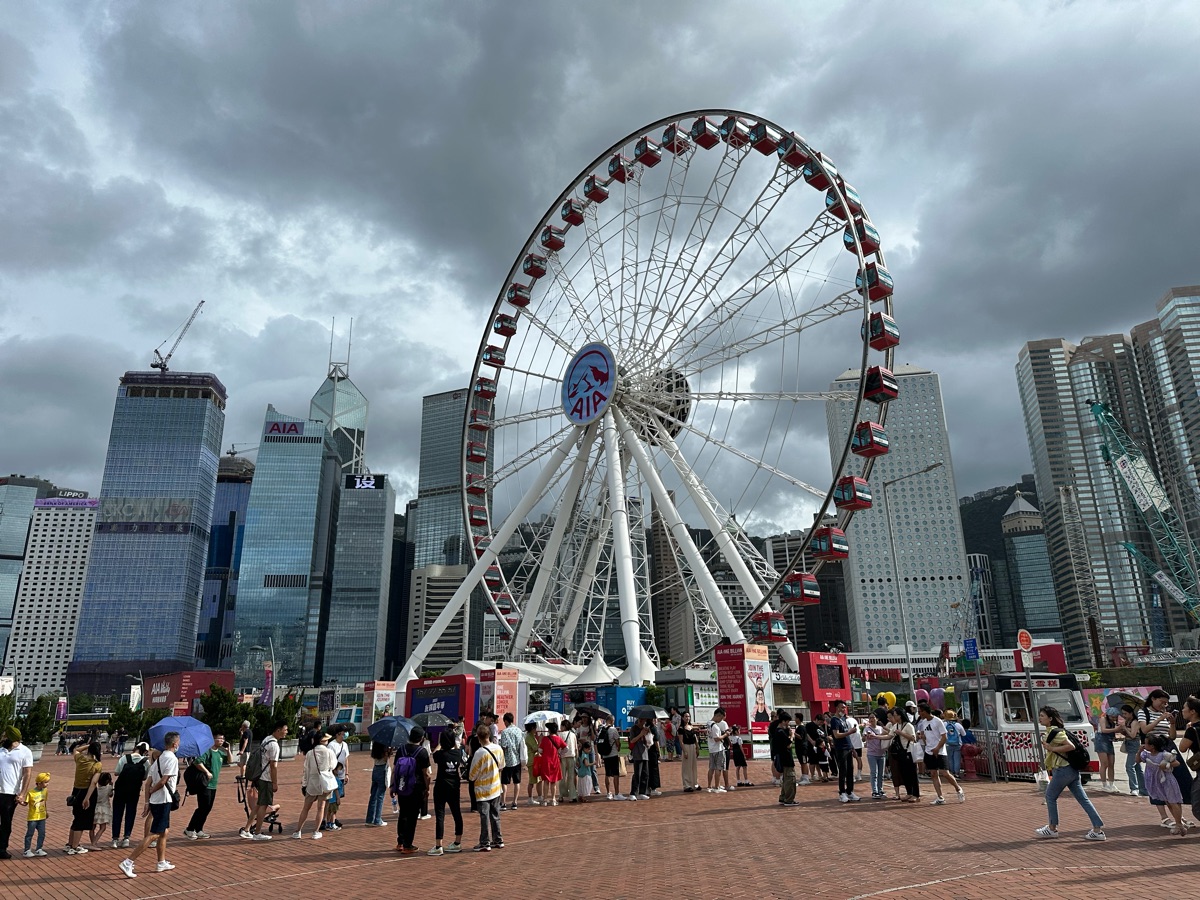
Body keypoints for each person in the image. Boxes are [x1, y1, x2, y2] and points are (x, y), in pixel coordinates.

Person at [1035, 706, 1105, 841]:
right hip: (1071, 770)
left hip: (1063, 770)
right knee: (1083, 799)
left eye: (1042, 716)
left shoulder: (1056, 732)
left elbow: (1070, 746)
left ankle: (1052, 828)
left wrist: (1051, 748)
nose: (1040, 718)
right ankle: (1097, 829)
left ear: (1050, 719)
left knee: (1050, 796)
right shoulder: (1055, 731)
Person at [119, 730, 181, 878]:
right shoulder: (172, 759)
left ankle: (161, 862)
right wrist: (154, 791)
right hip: (163, 799)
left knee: (164, 831)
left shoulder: (158, 759)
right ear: (175, 744)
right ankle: (128, 862)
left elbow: (147, 783)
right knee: (155, 834)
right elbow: (164, 780)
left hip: (156, 800)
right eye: (179, 742)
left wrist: (147, 800)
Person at [392, 725, 431, 854]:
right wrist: (427, 788)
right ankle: (408, 845)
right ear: (421, 738)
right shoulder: (422, 752)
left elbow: (395, 769)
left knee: (403, 813)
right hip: (416, 788)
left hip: (402, 786)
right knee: (412, 816)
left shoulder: (401, 750)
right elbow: (426, 774)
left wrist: (393, 785)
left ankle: (400, 842)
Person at [183, 732, 229, 840]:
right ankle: (189, 829)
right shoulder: (207, 751)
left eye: (223, 739)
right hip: (205, 784)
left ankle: (199, 829)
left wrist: (228, 750)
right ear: (213, 739)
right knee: (203, 807)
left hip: (214, 785)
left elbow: (230, 760)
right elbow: (197, 762)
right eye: (219, 738)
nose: (221, 741)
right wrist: (207, 772)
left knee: (207, 808)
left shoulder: (220, 753)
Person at [916, 702, 964, 805]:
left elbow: (944, 736)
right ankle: (940, 797)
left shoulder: (937, 721)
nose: (919, 714)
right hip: (929, 751)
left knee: (945, 773)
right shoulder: (923, 722)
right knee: (933, 773)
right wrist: (923, 739)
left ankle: (958, 788)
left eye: (921, 711)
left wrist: (937, 748)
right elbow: (924, 735)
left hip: (940, 751)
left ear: (925, 711)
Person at [247, 720, 287, 841]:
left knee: (259, 804)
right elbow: (273, 766)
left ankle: (246, 829)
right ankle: (257, 832)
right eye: (285, 730)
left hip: (259, 776)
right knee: (263, 806)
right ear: (278, 730)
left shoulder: (266, 739)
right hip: (266, 778)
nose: (287, 732)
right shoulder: (274, 745)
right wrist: (274, 782)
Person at [467, 723, 504, 852]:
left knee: (484, 816)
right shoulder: (498, 749)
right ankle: (498, 839)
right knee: (495, 815)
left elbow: (472, 775)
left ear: (478, 737)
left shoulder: (479, 753)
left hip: (482, 790)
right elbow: (501, 766)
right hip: (495, 786)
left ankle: (484, 842)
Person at [293, 729, 336, 839]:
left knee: (306, 808)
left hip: (312, 782)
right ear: (323, 740)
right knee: (321, 808)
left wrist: (304, 784)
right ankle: (316, 832)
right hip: (325, 782)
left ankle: (298, 831)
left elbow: (306, 770)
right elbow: (333, 766)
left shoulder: (310, 753)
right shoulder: (329, 752)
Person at [0, 725, 35, 860]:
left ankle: (2, 848)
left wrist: (23, 793)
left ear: (11, 737)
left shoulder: (25, 751)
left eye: (5, 735)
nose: (3, 737)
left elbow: (27, 773)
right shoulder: (1, 750)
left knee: (6, 822)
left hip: (11, 793)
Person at [428, 730, 465, 856]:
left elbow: (434, 754)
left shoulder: (440, 755)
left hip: (441, 786)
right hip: (454, 786)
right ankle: (457, 842)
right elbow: (456, 748)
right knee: (456, 813)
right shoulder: (457, 753)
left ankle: (439, 845)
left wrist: (439, 744)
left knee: (440, 815)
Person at [1141, 734, 1186, 834]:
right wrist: (1139, 751)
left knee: (1174, 801)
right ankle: (1179, 825)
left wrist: (1167, 764)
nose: (1144, 745)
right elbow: (1138, 759)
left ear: (1152, 746)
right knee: (1168, 802)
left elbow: (1177, 763)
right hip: (1159, 782)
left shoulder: (1164, 754)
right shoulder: (1147, 754)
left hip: (1168, 781)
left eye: (1146, 743)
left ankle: (1179, 824)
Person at [111, 742, 150, 848]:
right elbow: (145, 777)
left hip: (120, 790)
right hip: (134, 791)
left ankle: (115, 839)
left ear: (135, 748)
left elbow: (116, 772)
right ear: (145, 751)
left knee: (117, 813)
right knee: (130, 813)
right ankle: (126, 838)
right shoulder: (146, 762)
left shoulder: (124, 758)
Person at [66, 740, 103, 853]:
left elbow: (76, 750)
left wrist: (89, 745)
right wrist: (87, 798)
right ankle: (75, 847)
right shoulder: (97, 765)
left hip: (76, 790)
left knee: (76, 817)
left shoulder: (80, 759)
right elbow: (93, 783)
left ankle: (70, 844)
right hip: (87, 792)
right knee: (81, 821)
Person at [828, 701, 860, 803]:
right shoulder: (834, 720)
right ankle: (842, 793)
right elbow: (836, 735)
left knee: (850, 769)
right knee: (843, 770)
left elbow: (848, 737)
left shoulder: (843, 719)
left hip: (848, 748)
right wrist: (850, 731)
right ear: (837, 708)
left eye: (845, 707)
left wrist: (853, 749)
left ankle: (849, 791)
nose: (843, 709)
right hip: (840, 749)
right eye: (842, 707)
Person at [1177, 696, 1200, 825]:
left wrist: (1187, 730)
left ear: (1193, 711)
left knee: (1196, 804)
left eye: (1184, 707)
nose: (1182, 710)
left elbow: (1182, 748)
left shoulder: (1192, 730)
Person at [887, 708, 919, 802]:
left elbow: (913, 738)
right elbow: (889, 736)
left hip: (908, 751)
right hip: (900, 753)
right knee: (904, 773)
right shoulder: (896, 725)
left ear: (900, 716)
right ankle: (909, 793)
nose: (894, 717)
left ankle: (916, 794)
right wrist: (875, 737)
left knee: (912, 774)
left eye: (895, 715)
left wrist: (901, 733)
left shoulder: (908, 725)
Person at [498, 712, 524, 810]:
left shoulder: (505, 732)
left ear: (506, 721)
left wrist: (501, 759)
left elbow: (504, 747)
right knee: (517, 782)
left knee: (504, 782)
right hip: (517, 760)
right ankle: (515, 802)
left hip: (507, 760)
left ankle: (503, 803)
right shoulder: (519, 731)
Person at [326, 725, 350, 830]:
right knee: (332, 799)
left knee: (337, 798)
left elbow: (346, 760)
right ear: (337, 734)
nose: (344, 734)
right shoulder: (331, 745)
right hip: (333, 775)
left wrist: (347, 774)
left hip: (341, 774)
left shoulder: (345, 745)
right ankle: (329, 820)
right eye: (343, 733)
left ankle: (333, 819)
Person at [771, 711, 797, 806]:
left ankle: (783, 797)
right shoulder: (780, 732)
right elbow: (789, 744)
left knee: (786, 778)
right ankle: (789, 799)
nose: (788, 724)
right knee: (790, 779)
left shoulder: (777, 731)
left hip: (782, 758)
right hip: (786, 758)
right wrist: (792, 735)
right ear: (783, 721)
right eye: (787, 721)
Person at [537, 721, 566, 805]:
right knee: (554, 782)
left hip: (546, 762)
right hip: (555, 761)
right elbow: (566, 748)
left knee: (546, 781)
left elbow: (540, 750)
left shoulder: (545, 739)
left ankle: (545, 800)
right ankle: (553, 799)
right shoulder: (559, 739)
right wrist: (560, 753)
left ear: (549, 730)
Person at [22, 772, 50, 857]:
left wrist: (46, 811)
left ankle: (39, 849)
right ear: (39, 783)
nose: (47, 784)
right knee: (30, 833)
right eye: (45, 782)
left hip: (42, 816)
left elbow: (44, 802)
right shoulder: (31, 793)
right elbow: (25, 803)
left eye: (48, 782)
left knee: (42, 833)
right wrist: (20, 801)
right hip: (33, 817)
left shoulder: (45, 791)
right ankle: (27, 850)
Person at [1119, 704, 1144, 796]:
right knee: (1137, 767)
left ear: (1131, 713)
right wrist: (1123, 731)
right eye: (1122, 713)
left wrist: (1125, 728)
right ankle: (1143, 789)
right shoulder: (1128, 721)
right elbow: (1128, 735)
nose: (1124, 715)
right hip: (1129, 744)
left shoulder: (1134, 722)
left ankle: (1134, 788)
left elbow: (1133, 735)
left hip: (1134, 744)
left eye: (1125, 713)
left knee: (1129, 766)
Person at [1094, 707, 1121, 792]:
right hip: (1101, 741)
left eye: (1115, 717)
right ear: (1108, 715)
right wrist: (1116, 729)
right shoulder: (1103, 719)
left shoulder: (1113, 723)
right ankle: (1104, 784)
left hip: (1108, 742)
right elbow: (1103, 730)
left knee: (1111, 763)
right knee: (1104, 763)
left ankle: (1112, 784)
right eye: (1112, 717)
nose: (1114, 718)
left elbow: (1111, 733)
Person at [365, 740, 391, 827]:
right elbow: (385, 759)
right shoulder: (384, 748)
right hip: (382, 769)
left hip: (375, 769)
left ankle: (369, 819)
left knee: (373, 795)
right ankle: (377, 819)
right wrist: (389, 752)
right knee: (380, 796)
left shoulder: (375, 746)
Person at [862, 712, 888, 800]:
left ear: (877, 719)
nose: (871, 719)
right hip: (872, 753)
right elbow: (863, 738)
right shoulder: (867, 729)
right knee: (874, 773)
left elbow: (888, 733)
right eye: (870, 718)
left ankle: (880, 790)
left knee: (881, 773)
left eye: (873, 717)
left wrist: (878, 734)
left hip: (881, 753)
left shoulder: (880, 728)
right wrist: (866, 736)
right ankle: (874, 791)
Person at [706, 708, 731, 793]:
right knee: (718, 768)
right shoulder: (715, 727)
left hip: (711, 749)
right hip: (718, 749)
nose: (721, 720)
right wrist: (725, 735)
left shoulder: (709, 723)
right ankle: (717, 787)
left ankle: (709, 786)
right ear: (718, 715)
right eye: (721, 718)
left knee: (711, 768)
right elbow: (717, 739)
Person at [600, 714, 625, 800]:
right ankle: (617, 793)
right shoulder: (613, 730)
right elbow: (618, 743)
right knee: (615, 774)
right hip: (613, 754)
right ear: (612, 721)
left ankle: (608, 793)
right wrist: (618, 748)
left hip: (605, 755)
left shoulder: (601, 730)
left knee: (607, 774)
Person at [627, 718, 650, 801]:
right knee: (637, 774)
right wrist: (641, 734)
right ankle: (633, 793)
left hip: (645, 753)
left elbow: (647, 742)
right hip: (637, 753)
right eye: (641, 720)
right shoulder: (634, 728)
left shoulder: (645, 729)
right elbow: (632, 740)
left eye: (644, 720)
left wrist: (647, 735)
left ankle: (642, 792)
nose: (643, 721)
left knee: (645, 774)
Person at [90, 772, 114, 849]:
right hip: (104, 809)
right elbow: (110, 795)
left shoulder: (95, 789)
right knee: (102, 828)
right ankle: (94, 843)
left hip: (95, 808)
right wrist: (111, 785)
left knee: (92, 828)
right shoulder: (108, 788)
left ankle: (93, 842)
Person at [524, 722, 544, 806]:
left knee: (539, 779)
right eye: (535, 728)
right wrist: (540, 740)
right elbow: (535, 748)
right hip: (532, 761)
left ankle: (540, 796)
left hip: (536, 760)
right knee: (532, 781)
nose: (536, 729)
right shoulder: (529, 737)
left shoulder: (532, 736)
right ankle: (530, 798)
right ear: (532, 728)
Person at [559, 717, 579, 802]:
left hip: (563, 758)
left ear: (564, 726)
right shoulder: (573, 735)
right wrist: (577, 758)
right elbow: (576, 748)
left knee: (562, 777)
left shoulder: (560, 735)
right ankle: (572, 796)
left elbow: (559, 748)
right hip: (572, 757)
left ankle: (561, 795)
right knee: (571, 777)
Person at [679, 711, 699, 793]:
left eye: (688, 716)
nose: (687, 718)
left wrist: (697, 747)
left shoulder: (691, 727)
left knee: (693, 766)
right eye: (686, 716)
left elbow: (695, 738)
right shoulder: (681, 728)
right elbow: (681, 741)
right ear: (683, 718)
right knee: (686, 767)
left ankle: (695, 783)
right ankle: (687, 785)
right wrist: (685, 751)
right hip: (686, 746)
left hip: (693, 746)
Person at [943, 710, 965, 778]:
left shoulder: (944, 724)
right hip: (957, 744)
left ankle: (951, 772)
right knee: (957, 759)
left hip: (947, 744)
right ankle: (957, 773)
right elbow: (964, 734)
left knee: (949, 759)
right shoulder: (958, 725)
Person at [577, 739, 597, 803]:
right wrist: (593, 763)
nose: (589, 750)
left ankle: (581, 796)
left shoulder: (580, 754)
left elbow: (577, 763)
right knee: (586, 785)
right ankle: (584, 797)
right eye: (588, 749)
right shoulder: (584, 755)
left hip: (581, 772)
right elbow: (586, 764)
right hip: (585, 772)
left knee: (581, 785)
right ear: (585, 748)